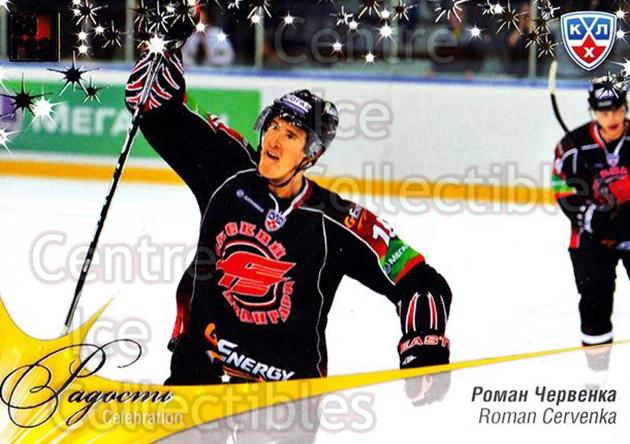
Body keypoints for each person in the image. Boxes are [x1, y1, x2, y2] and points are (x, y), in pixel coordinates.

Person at [125, 48, 452, 386]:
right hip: (199, 376)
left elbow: (420, 282)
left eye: (291, 135)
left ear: (311, 155)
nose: (274, 141)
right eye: (273, 126)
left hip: (286, 396)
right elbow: (154, 107)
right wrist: (166, 44)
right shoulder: (226, 172)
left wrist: (423, 344)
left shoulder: (335, 221)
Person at [553, 75, 630, 373]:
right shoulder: (571, 147)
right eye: (603, 111)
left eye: (617, 109)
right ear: (593, 111)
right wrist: (592, 218)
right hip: (590, 237)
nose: (612, 118)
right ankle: (598, 375)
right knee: (594, 300)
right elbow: (562, 189)